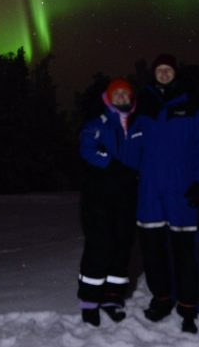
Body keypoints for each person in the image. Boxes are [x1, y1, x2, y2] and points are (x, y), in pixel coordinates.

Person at [135, 54, 199, 334]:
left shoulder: (194, 104)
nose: (163, 73)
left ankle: (187, 306)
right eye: (159, 69)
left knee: (185, 252)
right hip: (149, 192)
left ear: (176, 73)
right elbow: (128, 142)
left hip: (181, 190)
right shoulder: (142, 103)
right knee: (153, 252)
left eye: (168, 69)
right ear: (153, 73)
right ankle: (161, 300)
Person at [76, 77, 143, 326]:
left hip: (126, 198)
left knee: (122, 247)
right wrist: (111, 165)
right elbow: (86, 147)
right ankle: (89, 302)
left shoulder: (138, 127)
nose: (122, 98)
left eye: (126, 94)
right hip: (99, 197)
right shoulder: (98, 123)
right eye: (117, 95)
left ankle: (112, 299)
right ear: (109, 98)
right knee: (99, 247)